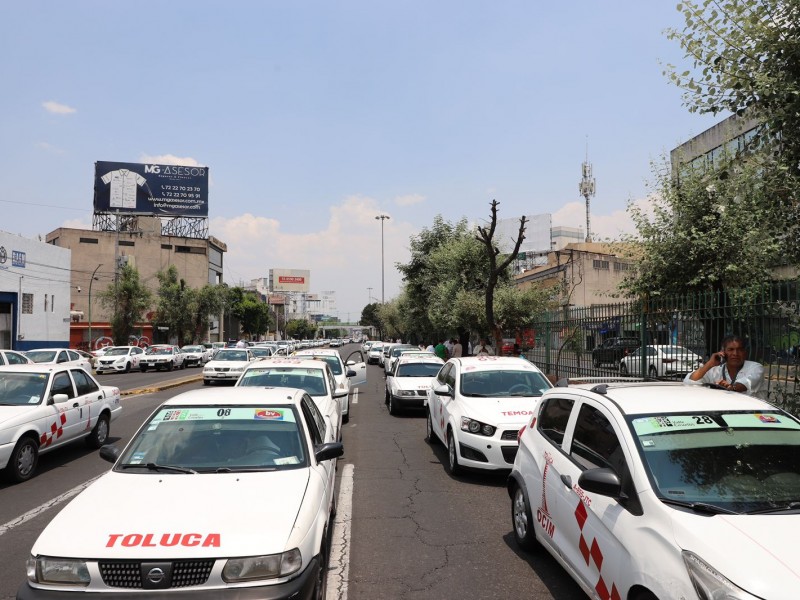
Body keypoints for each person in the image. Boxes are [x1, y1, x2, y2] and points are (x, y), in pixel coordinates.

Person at [684, 335, 764, 395]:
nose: (735, 354)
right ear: (723, 352)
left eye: (739, 350)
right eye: (730, 350)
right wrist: (709, 364)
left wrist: (732, 387)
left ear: (745, 352)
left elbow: (746, 383)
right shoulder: (715, 370)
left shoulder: (755, 367)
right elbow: (690, 381)